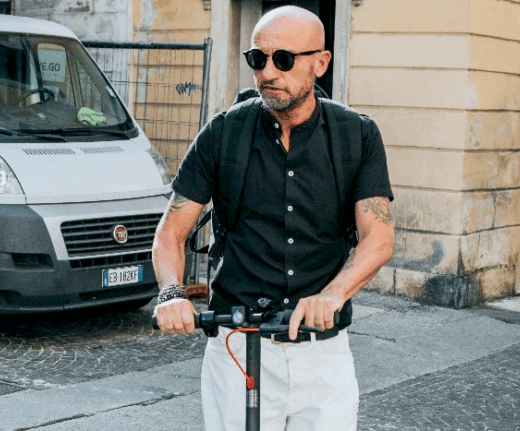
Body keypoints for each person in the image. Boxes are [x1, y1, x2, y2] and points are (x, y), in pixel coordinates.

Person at [152, 6, 394, 430]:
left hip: (322, 353)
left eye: (283, 59)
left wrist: (332, 296)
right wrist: (171, 292)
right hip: (237, 343)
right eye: (257, 59)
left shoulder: (356, 135)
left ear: (320, 62)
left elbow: (378, 236)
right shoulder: (223, 133)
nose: (267, 72)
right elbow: (171, 232)